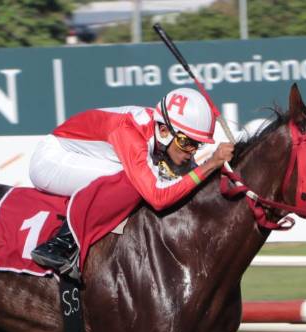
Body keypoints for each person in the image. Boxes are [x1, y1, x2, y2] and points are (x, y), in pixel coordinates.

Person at [28, 87, 235, 277]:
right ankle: (60, 244)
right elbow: (158, 198)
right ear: (164, 131)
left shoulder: (163, 132)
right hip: (52, 159)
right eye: (186, 143)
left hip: (89, 156)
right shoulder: (130, 133)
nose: (191, 152)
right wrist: (210, 164)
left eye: (197, 145)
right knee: (131, 181)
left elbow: (191, 179)